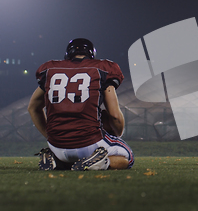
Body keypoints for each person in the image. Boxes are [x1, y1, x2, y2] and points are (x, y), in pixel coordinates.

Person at [28, 38, 134, 171]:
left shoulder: (51, 70)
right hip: (89, 142)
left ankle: (57, 160)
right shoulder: (102, 69)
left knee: (65, 152)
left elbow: (33, 107)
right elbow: (114, 116)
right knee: (128, 157)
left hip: (56, 145)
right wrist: (116, 135)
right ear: (91, 54)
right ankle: (99, 163)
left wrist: (50, 136)